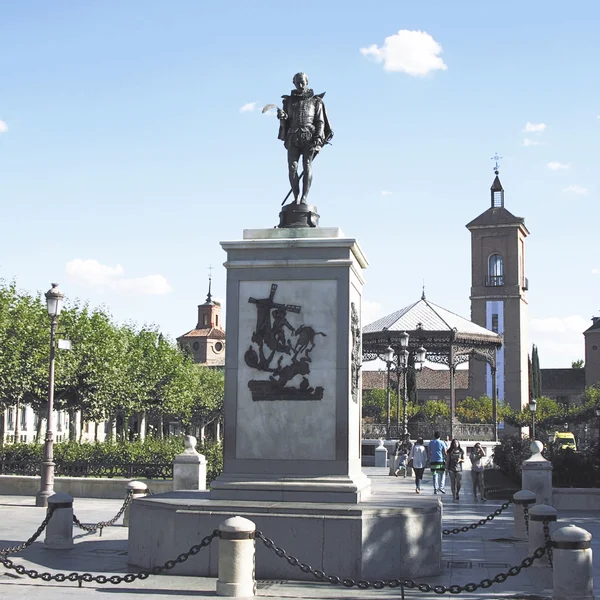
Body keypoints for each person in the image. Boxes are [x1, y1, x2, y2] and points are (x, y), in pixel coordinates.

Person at [277, 72, 333, 204]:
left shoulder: (316, 101)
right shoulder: (288, 101)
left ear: (307, 82)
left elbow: (320, 121)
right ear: (294, 83)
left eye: (303, 82)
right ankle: (296, 197)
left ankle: (304, 198)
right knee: (292, 167)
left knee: (307, 165)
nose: (301, 85)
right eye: (298, 83)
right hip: (293, 136)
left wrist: (318, 136)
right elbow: (286, 122)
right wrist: (282, 118)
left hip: (309, 136)